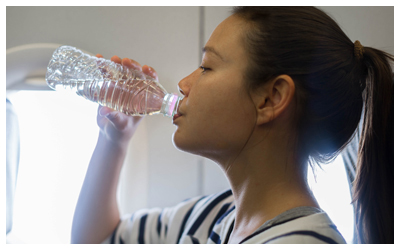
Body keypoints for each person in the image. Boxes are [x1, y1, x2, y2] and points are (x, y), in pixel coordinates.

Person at [71, 7, 393, 244]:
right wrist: (115, 140)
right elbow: (99, 240)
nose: (183, 83)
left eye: (206, 67)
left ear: (271, 98)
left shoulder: (301, 243)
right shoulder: (214, 214)